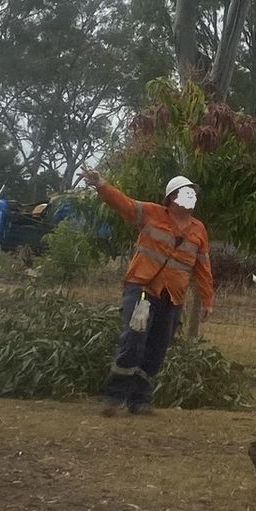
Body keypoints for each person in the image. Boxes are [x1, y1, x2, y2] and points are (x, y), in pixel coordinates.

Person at [86, 172, 215, 416]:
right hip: (143, 290)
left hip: (172, 297)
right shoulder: (151, 213)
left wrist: (207, 299)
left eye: (193, 194)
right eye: (187, 193)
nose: (192, 197)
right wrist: (102, 186)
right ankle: (113, 398)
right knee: (133, 342)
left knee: (157, 348)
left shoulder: (199, 230)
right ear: (171, 198)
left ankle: (140, 401)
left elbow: (203, 266)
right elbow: (123, 203)